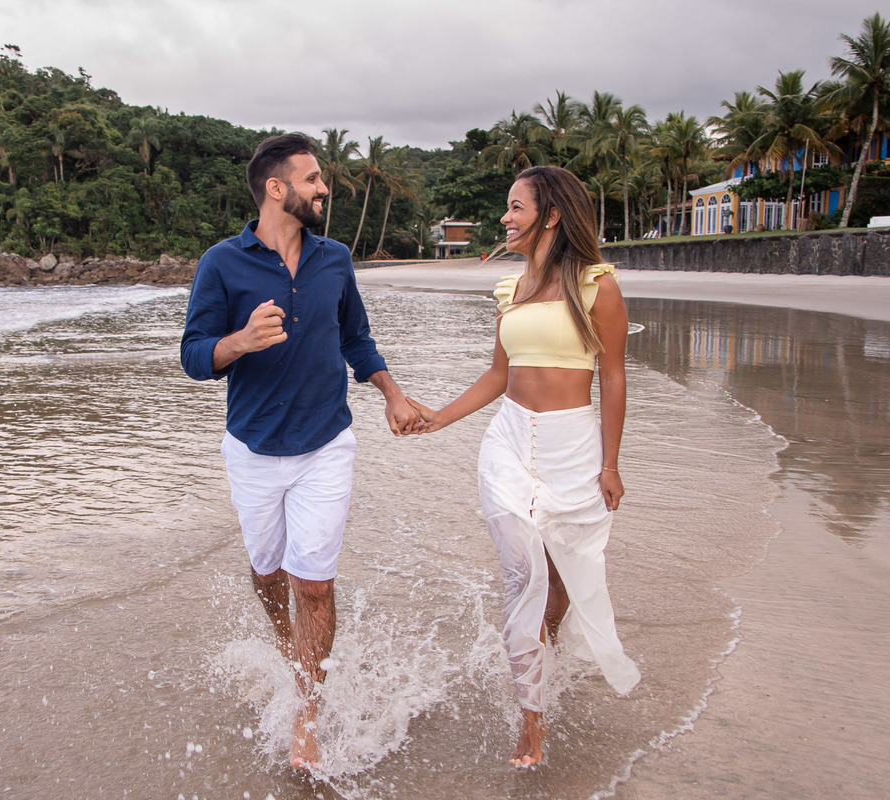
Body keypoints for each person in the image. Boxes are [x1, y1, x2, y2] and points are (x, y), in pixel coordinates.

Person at [180, 132, 420, 770]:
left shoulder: (334, 258)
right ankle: (292, 651)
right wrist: (240, 341)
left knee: (313, 583)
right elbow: (193, 356)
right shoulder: (221, 263)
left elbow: (356, 339)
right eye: (313, 179)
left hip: (325, 443)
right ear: (276, 187)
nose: (324, 188)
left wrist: (392, 394)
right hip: (253, 448)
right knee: (268, 574)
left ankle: (307, 709)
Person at [408, 165, 640, 767]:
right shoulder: (509, 290)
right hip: (508, 442)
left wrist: (610, 464)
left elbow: (614, 378)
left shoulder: (597, 286)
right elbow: (498, 374)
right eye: (507, 207)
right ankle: (531, 720)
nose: (505, 217)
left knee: (559, 580)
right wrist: (440, 417)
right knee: (523, 575)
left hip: (573, 447)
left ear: (552, 215)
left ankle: (544, 649)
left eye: (517, 207)